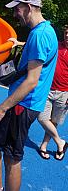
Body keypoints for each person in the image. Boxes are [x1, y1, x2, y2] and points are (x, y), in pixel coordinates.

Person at [0, 0, 58, 191]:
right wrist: (19, 44)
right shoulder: (46, 30)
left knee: (11, 157)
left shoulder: (39, 35)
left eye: (17, 9)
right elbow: (39, 55)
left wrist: (2, 108)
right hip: (24, 102)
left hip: (23, 104)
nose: (15, 14)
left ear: (28, 7)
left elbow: (31, 81)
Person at [38, 25, 68, 160]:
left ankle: (43, 145)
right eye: (66, 33)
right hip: (48, 89)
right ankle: (60, 142)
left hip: (64, 93)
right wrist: (18, 43)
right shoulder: (57, 45)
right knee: (42, 118)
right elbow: (38, 46)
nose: (67, 36)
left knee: (54, 122)